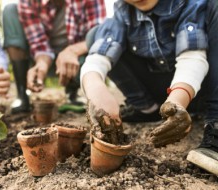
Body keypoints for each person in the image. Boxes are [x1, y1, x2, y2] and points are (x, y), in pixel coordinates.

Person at [81, 0, 218, 175]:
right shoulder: (122, 13)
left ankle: (215, 124)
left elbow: (192, 58)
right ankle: (147, 108)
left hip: (199, 89)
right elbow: (96, 60)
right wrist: (96, 90)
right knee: (96, 35)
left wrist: (177, 100)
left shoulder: (188, 4)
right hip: (163, 95)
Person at [2, 0, 106, 114]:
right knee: (10, 10)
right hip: (43, 59)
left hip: (76, 60)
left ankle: (72, 92)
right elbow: (39, 44)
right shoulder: (28, 2)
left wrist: (72, 51)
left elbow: (99, 36)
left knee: (95, 52)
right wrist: (42, 63)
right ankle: (22, 94)